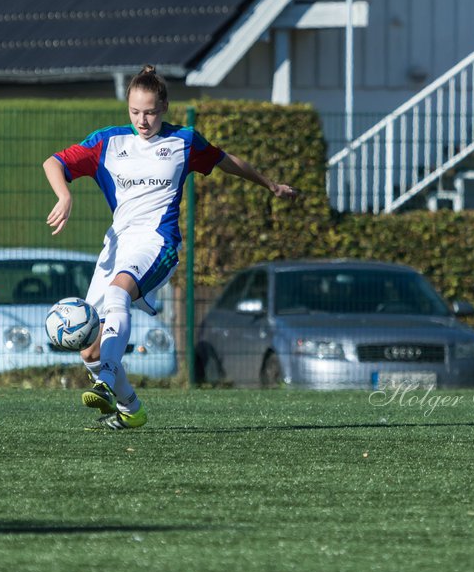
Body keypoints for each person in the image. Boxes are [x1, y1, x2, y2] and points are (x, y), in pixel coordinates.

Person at [44, 65, 299, 430]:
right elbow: (54, 162)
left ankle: (106, 381)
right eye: (134, 112)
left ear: (163, 106)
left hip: (157, 242)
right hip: (117, 243)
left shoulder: (184, 141)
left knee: (118, 295)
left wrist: (269, 184)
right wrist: (64, 194)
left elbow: (228, 163)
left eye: (149, 112)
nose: (142, 120)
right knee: (89, 350)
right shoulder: (108, 142)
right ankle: (131, 410)